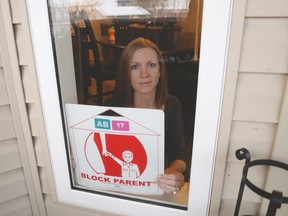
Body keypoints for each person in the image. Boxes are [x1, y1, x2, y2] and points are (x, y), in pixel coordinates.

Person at [105, 37, 187, 194]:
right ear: (125, 74)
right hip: (119, 187)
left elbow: (180, 155)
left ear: (160, 71)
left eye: (151, 65)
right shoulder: (111, 106)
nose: (144, 74)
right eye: (135, 67)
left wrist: (171, 173)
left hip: (156, 187)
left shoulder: (172, 105)